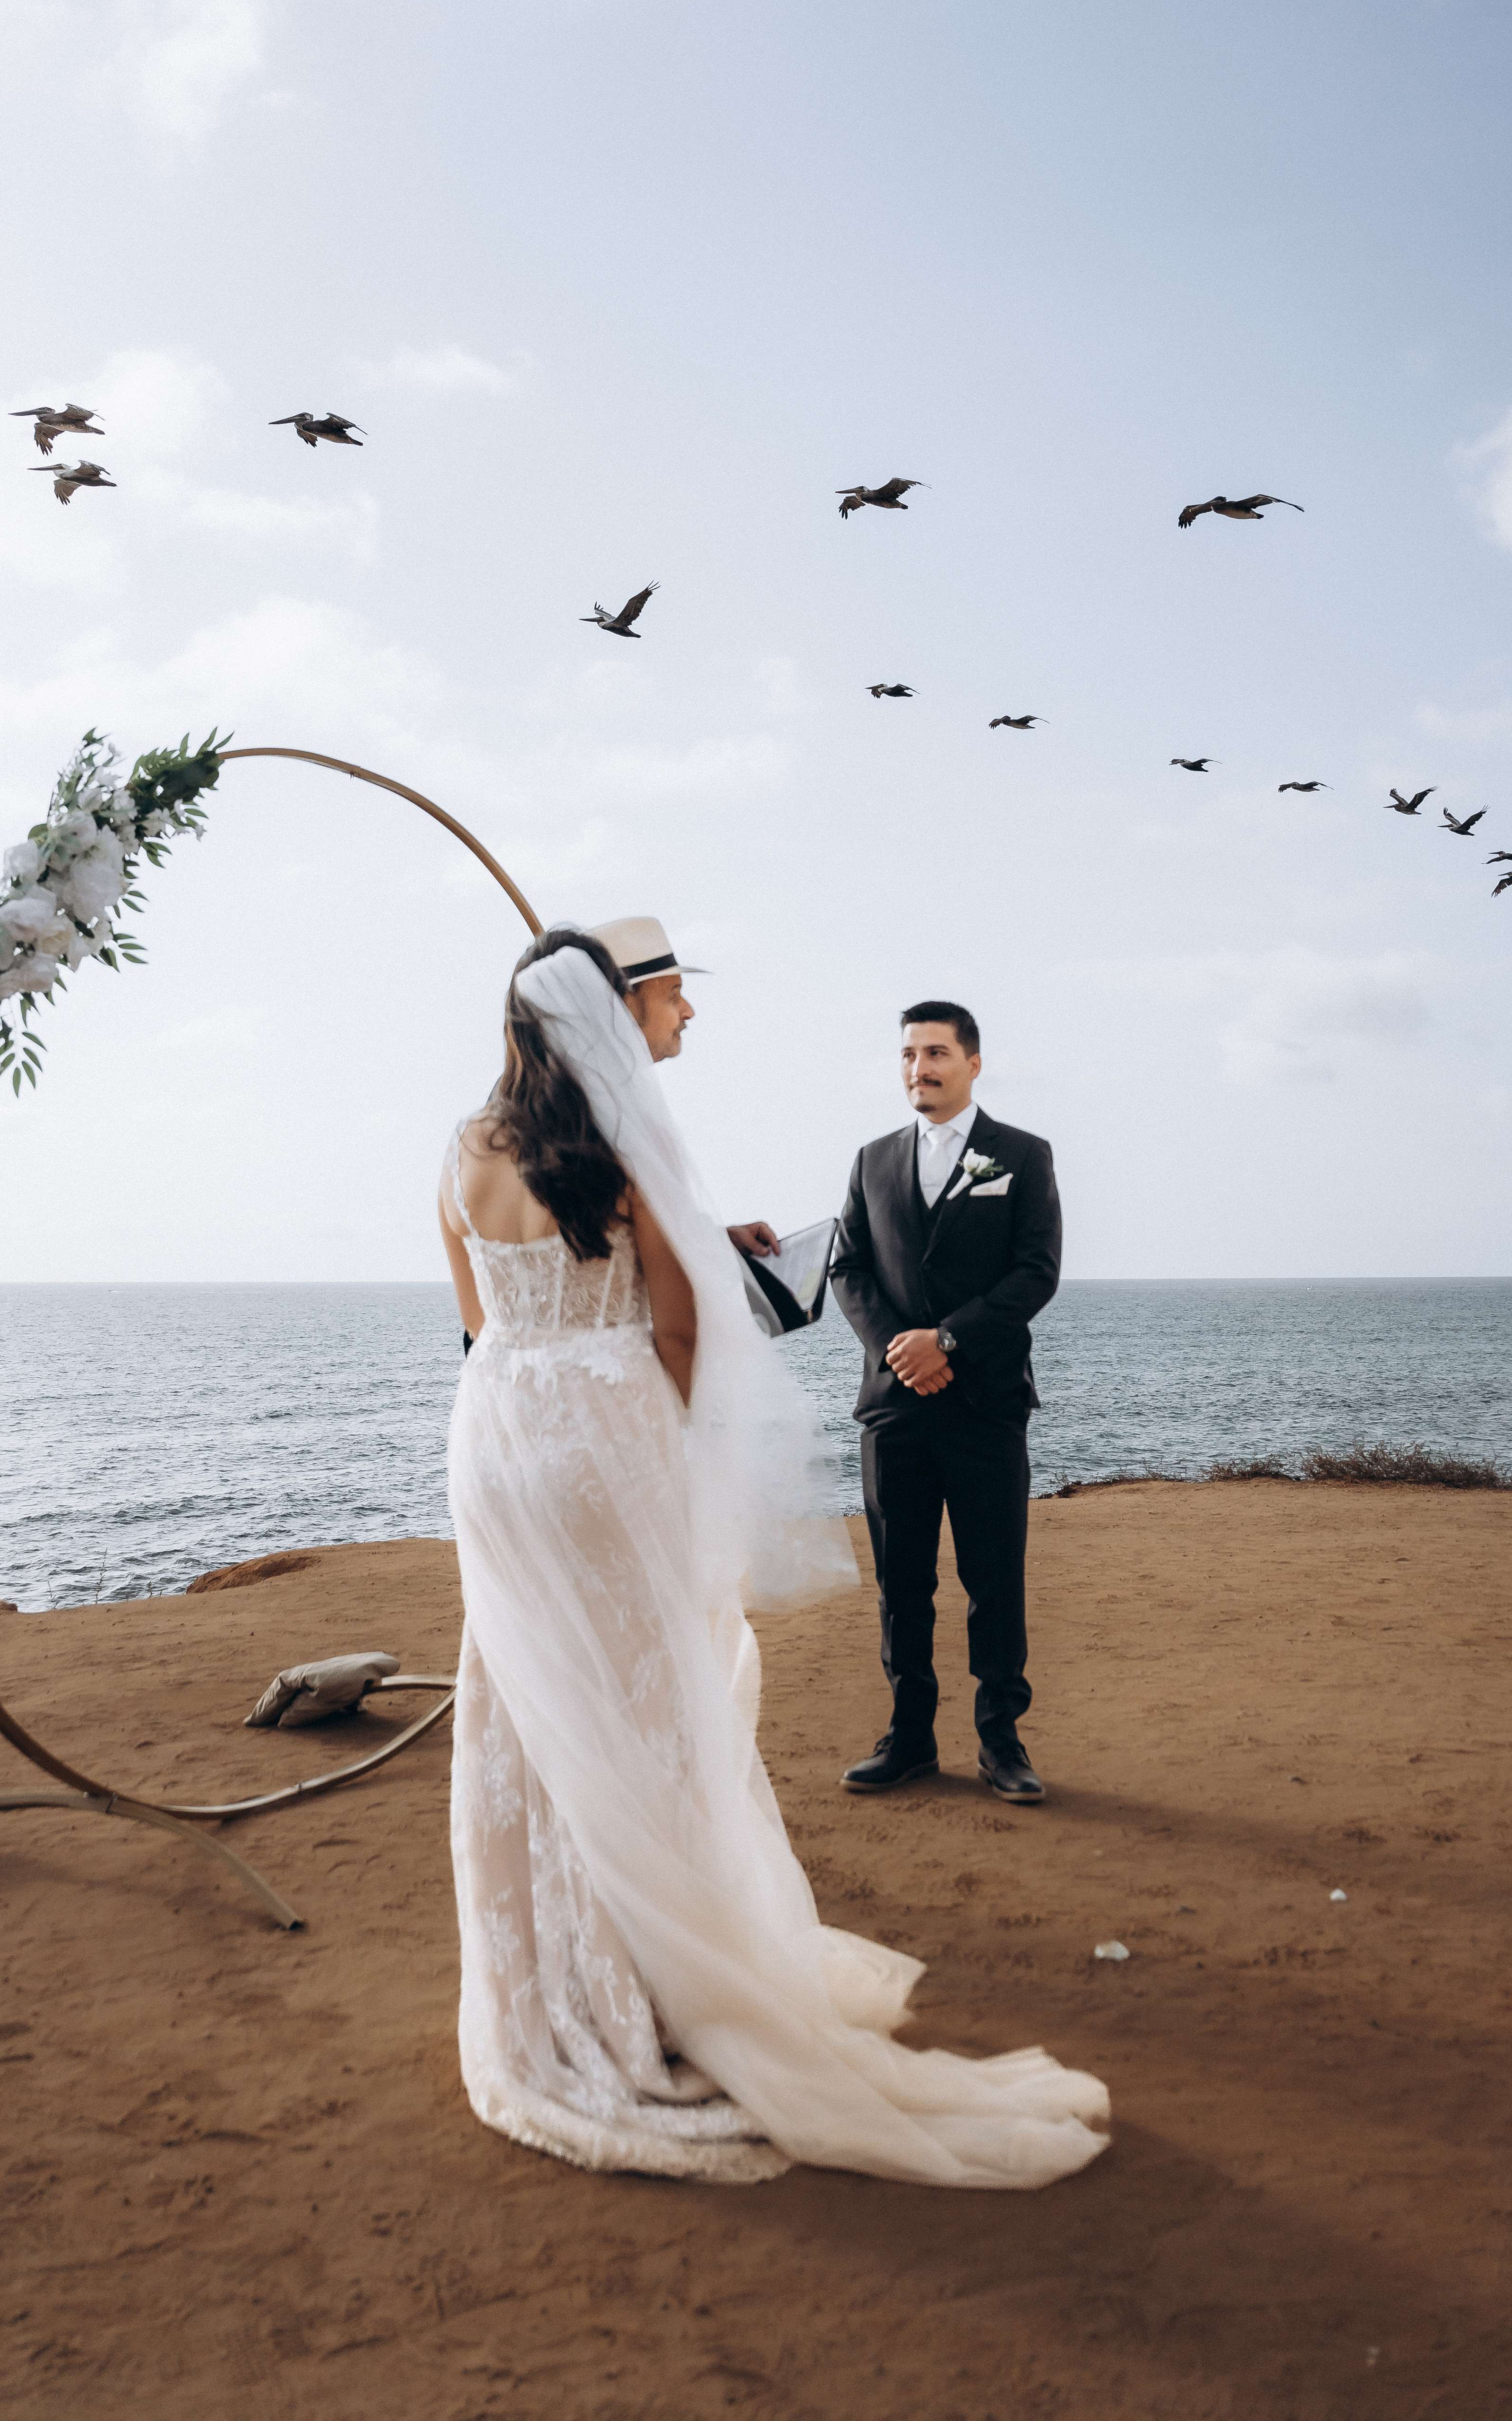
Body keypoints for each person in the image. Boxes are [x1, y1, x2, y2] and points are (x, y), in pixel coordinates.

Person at [438, 929, 1108, 2187]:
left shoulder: (464, 1149)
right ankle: (653, 1981)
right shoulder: (625, 1149)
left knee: (526, 1700)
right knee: (646, 1702)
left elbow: (479, 1320)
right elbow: (682, 1325)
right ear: (604, 1018)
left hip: (497, 1444)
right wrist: (672, 1440)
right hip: (604, 1442)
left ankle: (539, 1994)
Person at [831, 1000, 1062, 1805]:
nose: (917, 1069)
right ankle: (911, 1737)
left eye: (934, 1054)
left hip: (986, 1403)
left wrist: (950, 1343)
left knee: (994, 1578)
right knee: (902, 1580)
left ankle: (1002, 1741)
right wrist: (904, 1350)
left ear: (972, 1064)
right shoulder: (870, 1160)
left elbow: (1036, 1272)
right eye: (907, 1055)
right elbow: (847, 1270)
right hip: (895, 1408)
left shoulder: (1022, 1156)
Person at [589, 913, 777, 1260]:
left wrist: (721, 1239)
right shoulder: (594, 1120)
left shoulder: (616, 1101)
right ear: (626, 1006)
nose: (689, 1012)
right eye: (674, 995)